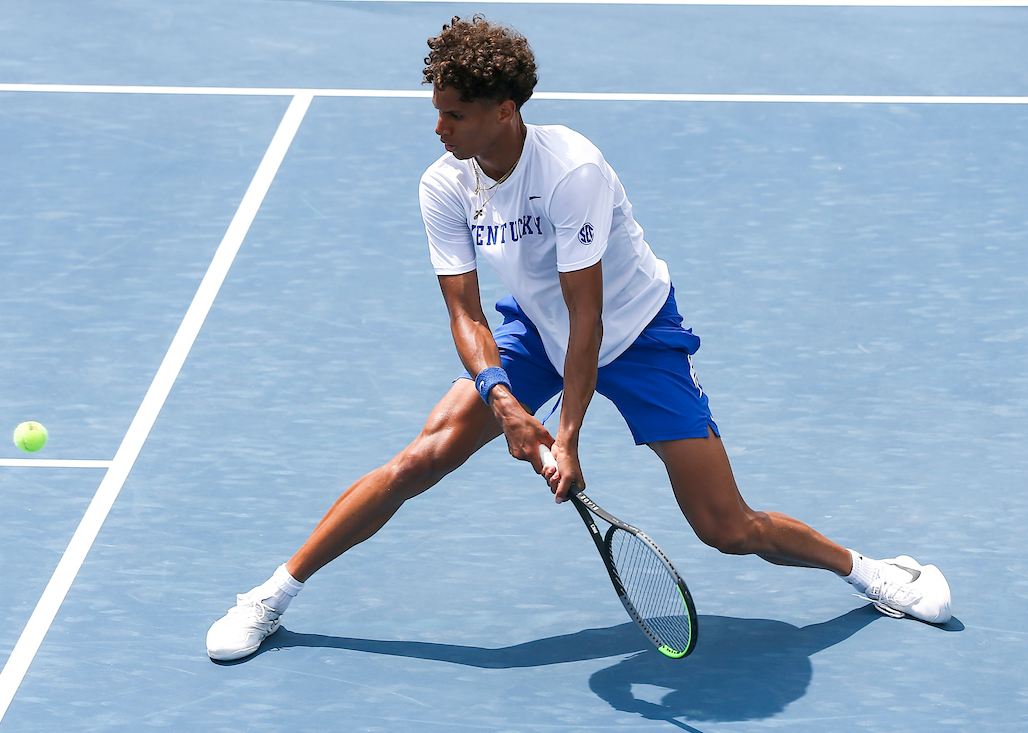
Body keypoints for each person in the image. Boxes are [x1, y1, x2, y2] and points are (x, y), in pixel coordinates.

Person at [206, 15, 952, 661]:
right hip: (534, 329)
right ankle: (269, 597)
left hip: (635, 337)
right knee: (419, 459)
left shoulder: (570, 171)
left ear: (504, 111)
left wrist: (566, 436)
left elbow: (588, 319)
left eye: (454, 115)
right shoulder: (445, 183)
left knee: (727, 527)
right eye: (436, 111)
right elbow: (466, 313)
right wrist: (501, 399)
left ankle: (872, 571)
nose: (438, 129)